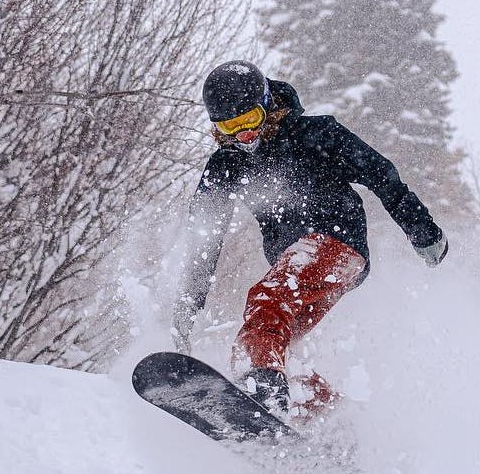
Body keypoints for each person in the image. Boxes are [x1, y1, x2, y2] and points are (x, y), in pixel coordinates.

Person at [173, 60, 447, 420]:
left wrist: (422, 230)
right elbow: (204, 238)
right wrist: (187, 308)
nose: (245, 136)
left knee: (267, 301)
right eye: (230, 127)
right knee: (267, 341)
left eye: (249, 121)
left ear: (267, 105)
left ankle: (266, 396)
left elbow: (382, 175)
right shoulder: (226, 166)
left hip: (337, 245)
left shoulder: (316, 135)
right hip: (294, 267)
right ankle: (327, 420)